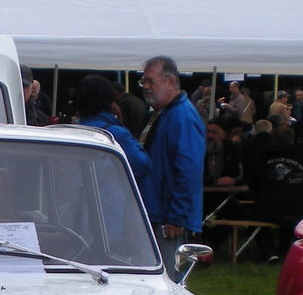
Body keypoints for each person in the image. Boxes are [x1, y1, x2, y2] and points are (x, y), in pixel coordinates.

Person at [138, 55, 204, 267]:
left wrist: (177, 216)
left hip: (166, 219)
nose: (146, 86)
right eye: (143, 81)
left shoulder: (182, 116)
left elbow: (189, 169)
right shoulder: (165, 113)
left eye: (151, 81)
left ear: (171, 81)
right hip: (157, 212)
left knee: (166, 277)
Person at [252, 124, 303, 259]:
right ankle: (286, 249)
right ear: (293, 139)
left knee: (253, 216)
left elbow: (254, 183)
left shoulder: (263, 157)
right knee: (291, 216)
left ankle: (269, 250)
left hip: (269, 208)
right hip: (301, 208)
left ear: (273, 139)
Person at [75, 73, 151, 184]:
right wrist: (119, 123)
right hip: (111, 192)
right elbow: (142, 166)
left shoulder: (73, 132)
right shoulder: (116, 134)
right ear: (110, 101)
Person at [203, 120, 242, 187]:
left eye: (214, 132)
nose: (209, 135)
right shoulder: (197, 149)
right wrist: (214, 181)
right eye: (207, 132)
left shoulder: (231, 149)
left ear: (223, 135)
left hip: (226, 190)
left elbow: (237, 174)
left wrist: (231, 180)